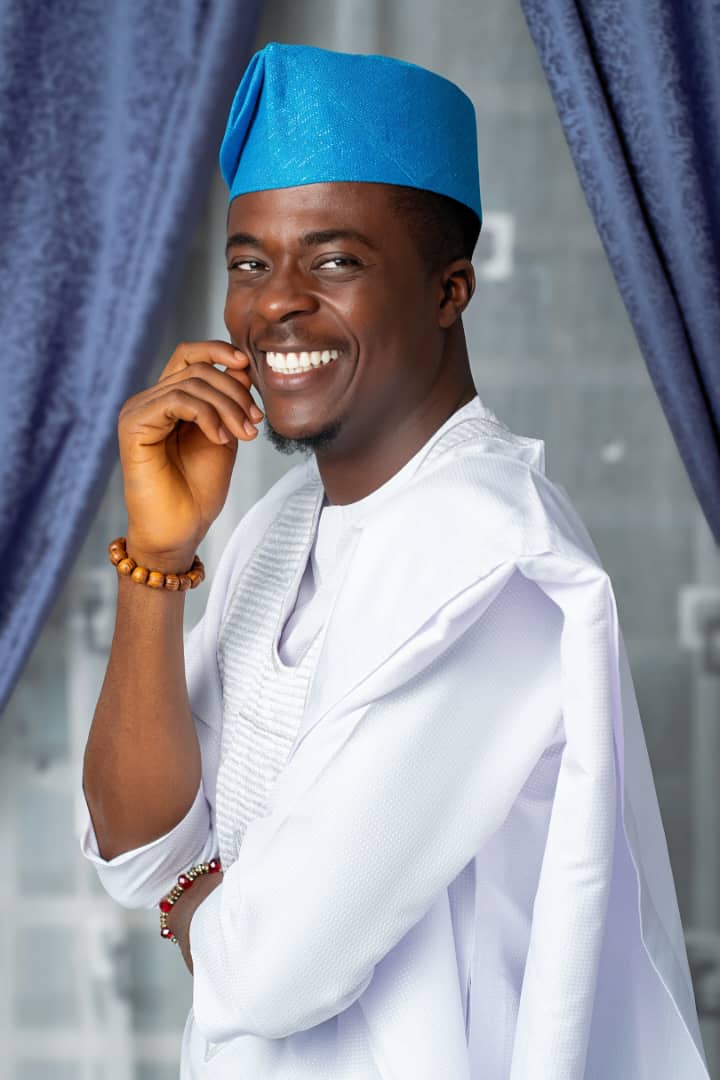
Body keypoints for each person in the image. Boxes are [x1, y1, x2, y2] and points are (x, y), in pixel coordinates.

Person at [79, 42, 709, 1079]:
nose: (275, 304)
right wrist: (157, 556)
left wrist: (200, 900)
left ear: (449, 290)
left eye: (335, 261)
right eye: (250, 262)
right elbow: (136, 847)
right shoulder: (281, 524)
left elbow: (268, 970)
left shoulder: (489, 557)